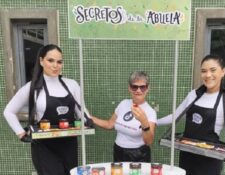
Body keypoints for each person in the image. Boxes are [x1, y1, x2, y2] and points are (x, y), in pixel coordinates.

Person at [3, 44, 93, 175]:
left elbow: (81, 110)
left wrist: (87, 120)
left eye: (59, 61)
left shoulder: (72, 84)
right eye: (50, 60)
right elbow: (9, 111)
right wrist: (21, 133)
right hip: (44, 147)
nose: (55, 65)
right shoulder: (32, 87)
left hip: (69, 145)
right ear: (41, 61)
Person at [157, 54, 225, 175]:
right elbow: (175, 117)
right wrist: (153, 121)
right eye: (203, 71)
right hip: (187, 155)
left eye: (213, 70)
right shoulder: (193, 95)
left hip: (210, 160)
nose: (208, 75)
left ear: (223, 72)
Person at [92, 71, 157, 162]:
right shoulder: (123, 103)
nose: (138, 90)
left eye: (142, 87)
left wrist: (144, 122)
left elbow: (148, 141)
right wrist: (89, 118)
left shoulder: (150, 112)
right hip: (119, 150)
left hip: (139, 154)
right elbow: (109, 124)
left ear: (147, 88)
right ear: (129, 88)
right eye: (134, 87)